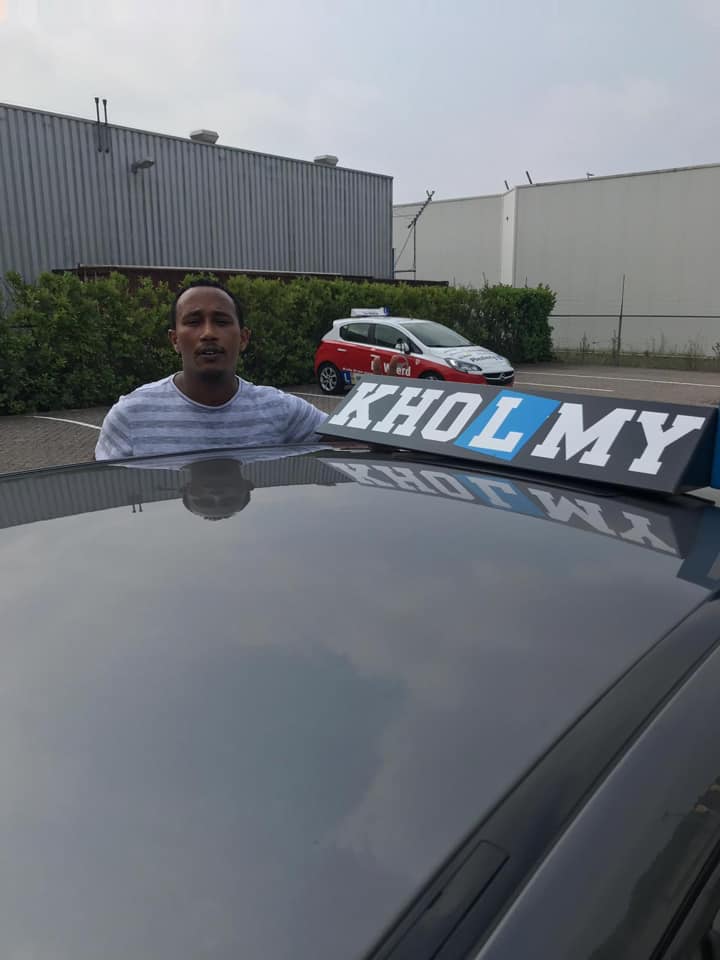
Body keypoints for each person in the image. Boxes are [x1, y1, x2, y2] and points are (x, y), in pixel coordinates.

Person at [95, 280, 328, 460]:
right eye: (193, 322)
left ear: (243, 338)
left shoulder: (279, 409)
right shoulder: (130, 416)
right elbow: (104, 491)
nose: (208, 333)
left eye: (222, 321)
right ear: (175, 340)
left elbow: (345, 438)